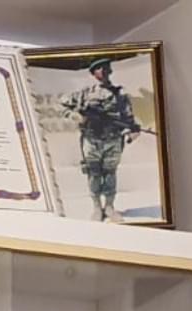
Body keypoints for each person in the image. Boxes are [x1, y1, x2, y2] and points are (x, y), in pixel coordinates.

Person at [60, 58, 141, 222]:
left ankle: (110, 207)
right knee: (94, 173)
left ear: (110, 70)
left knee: (110, 173)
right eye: (99, 69)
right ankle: (97, 207)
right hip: (91, 140)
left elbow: (128, 117)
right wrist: (76, 116)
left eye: (106, 68)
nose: (103, 71)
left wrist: (132, 130)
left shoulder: (120, 94)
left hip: (113, 140)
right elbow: (63, 105)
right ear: (93, 73)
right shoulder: (84, 93)